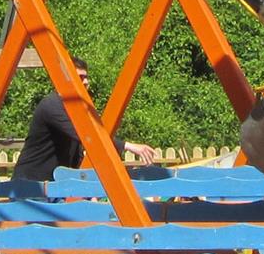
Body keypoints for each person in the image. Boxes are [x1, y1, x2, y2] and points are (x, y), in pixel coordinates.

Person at [11, 57, 158, 182]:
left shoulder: (78, 107)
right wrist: (129, 146)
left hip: (55, 185)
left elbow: (80, 150)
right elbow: (86, 136)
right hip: (31, 185)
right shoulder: (52, 105)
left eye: (86, 77)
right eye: (81, 77)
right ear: (65, 78)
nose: (87, 82)